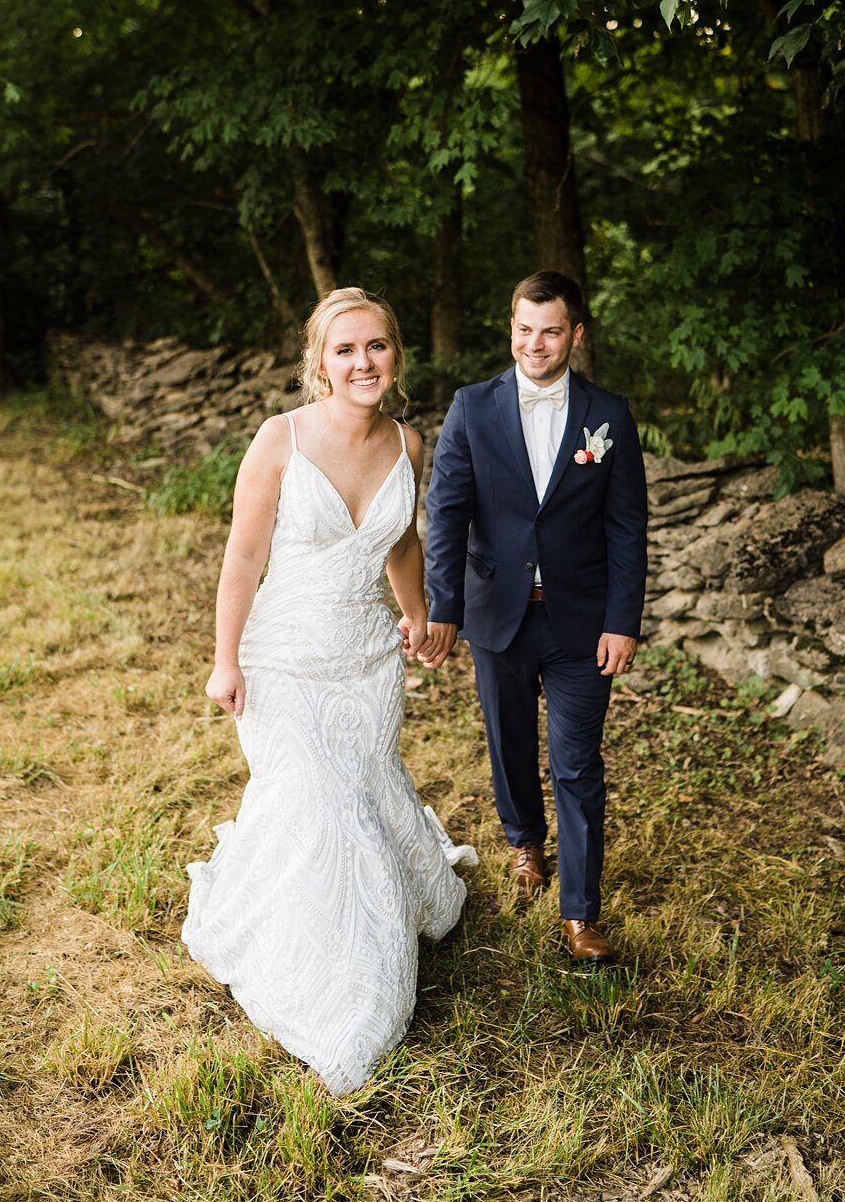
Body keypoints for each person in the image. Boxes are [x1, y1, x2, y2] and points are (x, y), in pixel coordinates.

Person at [182, 287, 476, 1095]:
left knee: (363, 792)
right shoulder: (279, 440)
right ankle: (336, 993)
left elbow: (404, 539)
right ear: (320, 362)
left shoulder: (408, 444)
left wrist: (416, 617)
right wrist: (225, 658)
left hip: (368, 661)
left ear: (395, 356)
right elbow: (243, 558)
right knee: (318, 804)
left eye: (376, 347)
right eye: (345, 350)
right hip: (281, 659)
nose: (362, 363)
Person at [423, 271, 647, 964]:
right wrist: (445, 609)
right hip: (498, 616)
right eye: (524, 329)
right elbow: (448, 513)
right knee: (510, 743)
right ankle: (524, 840)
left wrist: (624, 619)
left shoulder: (608, 415)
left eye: (550, 330)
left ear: (575, 334)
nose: (535, 343)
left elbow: (627, 526)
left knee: (578, 764)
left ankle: (581, 915)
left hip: (583, 623)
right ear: (511, 327)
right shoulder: (472, 407)